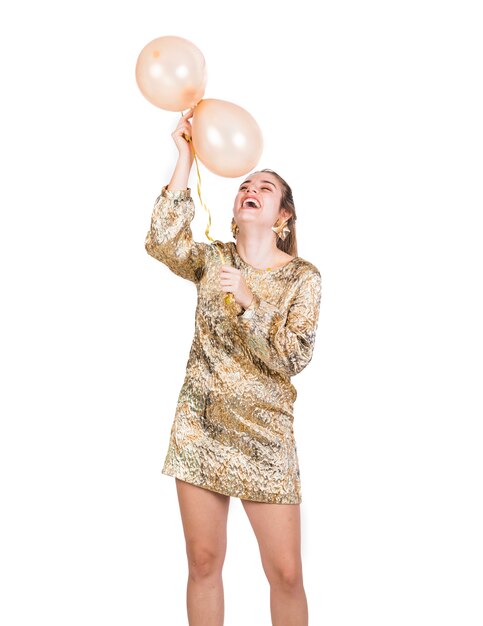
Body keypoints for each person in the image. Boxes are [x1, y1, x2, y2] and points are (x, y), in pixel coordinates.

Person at [145, 107, 322, 626]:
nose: (252, 188)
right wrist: (183, 156)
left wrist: (249, 301)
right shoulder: (212, 260)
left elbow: (295, 356)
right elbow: (161, 241)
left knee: (285, 574)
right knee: (203, 562)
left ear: (284, 216)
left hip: (266, 437)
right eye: (246, 184)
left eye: (266, 187)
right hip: (201, 428)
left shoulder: (303, 278)